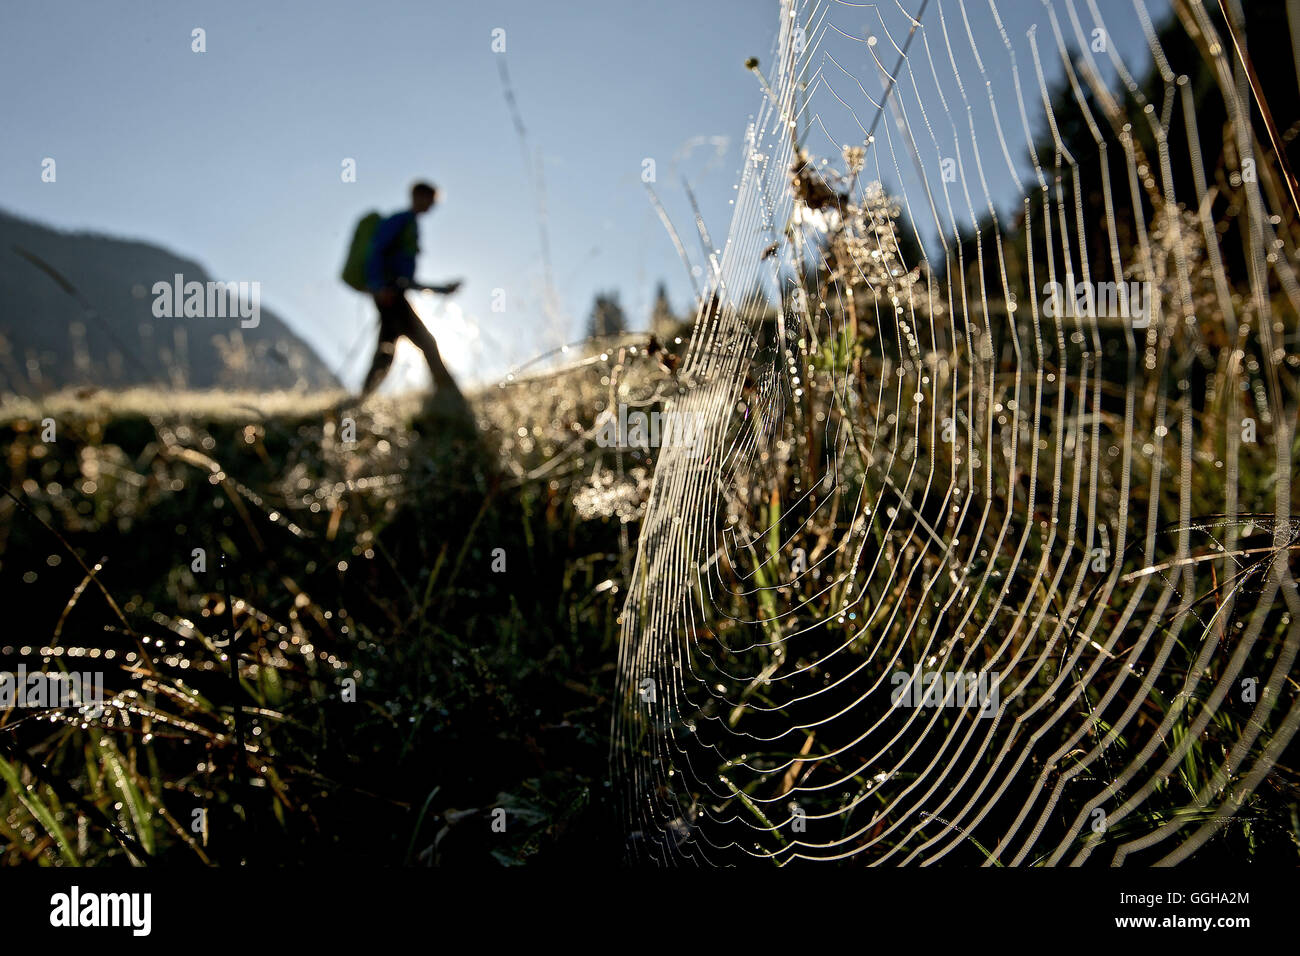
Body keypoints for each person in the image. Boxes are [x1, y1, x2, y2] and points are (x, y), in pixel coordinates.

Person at [359, 181, 463, 399]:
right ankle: (448, 394)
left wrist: (442, 290)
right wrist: (379, 287)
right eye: (430, 200)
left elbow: (408, 280)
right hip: (390, 294)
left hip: (394, 293)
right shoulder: (401, 221)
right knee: (426, 342)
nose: (432, 205)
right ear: (418, 196)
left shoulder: (410, 225)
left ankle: (363, 398)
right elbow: (375, 251)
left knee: (387, 348)